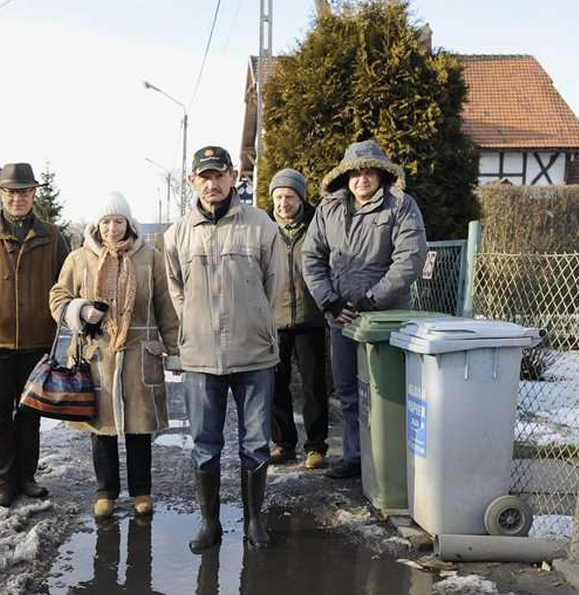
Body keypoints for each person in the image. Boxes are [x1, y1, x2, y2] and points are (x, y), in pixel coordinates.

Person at [164, 145, 283, 552]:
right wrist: (194, 325)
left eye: (219, 175)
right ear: (191, 181)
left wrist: (255, 320)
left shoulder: (261, 226)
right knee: (204, 443)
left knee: (255, 443)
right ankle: (209, 524)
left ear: (234, 176)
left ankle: (254, 521)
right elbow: (175, 288)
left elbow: (275, 285)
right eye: (204, 176)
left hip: (253, 354)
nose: (212, 184)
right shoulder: (177, 233)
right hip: (200, 357)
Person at [301, 140, 428, 479]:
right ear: (346, 177)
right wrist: (329, 300)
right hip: (341, 316)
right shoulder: (329, 210)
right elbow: (311, 258)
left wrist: (373, 300)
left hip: (386, 318)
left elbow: (409, 260)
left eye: (369, 172)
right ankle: (356, 458)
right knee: (348, 390)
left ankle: (388, 461)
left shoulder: (401, 206)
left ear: (381, 174)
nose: (362, 179)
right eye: (355, 173)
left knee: (386, 391)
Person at [49, 193, 180, 519]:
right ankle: (105, 491)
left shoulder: (150, 258)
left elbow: (166, 306)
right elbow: (58, 297)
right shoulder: (79, 259)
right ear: (97, 224)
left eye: (118, 221)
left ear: (129, 223)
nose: (111, 228)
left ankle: (141, 492)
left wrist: (175, 348)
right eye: (106, 222)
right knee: (101, 428)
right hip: (96, 354)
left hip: (139, 353)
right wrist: (80, 309)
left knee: (139, 427)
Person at [0, 162, 71, 510]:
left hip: (38, 341)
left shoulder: (53, 236)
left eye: (23, 192)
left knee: (30, 414)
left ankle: (26, 478)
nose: (17, 198)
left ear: (34, 194)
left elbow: (67, 282)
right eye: (10, 192)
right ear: (1, 195)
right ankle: (1, 483)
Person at [267, 168, 330, 470]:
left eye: (289, 197)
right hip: (274, 319)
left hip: (311, 316)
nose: (283, 203)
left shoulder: (317, 225)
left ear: (301, 198)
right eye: (278, 197)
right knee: (275, 384)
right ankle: (283, 443)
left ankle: (316, 447)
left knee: (314, 385)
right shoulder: (264, 230)